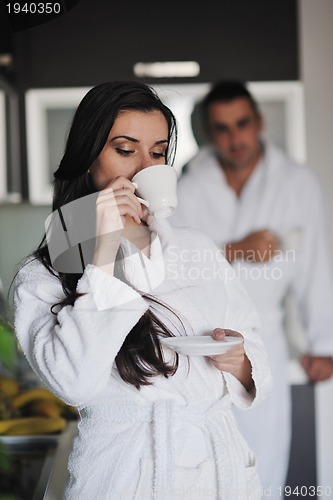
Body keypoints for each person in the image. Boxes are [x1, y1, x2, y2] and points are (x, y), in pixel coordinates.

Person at [13, 81, 272, 500]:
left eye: (156, 153)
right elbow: (73, 383)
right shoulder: (43, 273)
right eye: (125, 149)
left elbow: (252, 343)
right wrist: (104, 249)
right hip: (124, 477)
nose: (142, 169)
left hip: (219, 471)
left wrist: (238, 360)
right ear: (87, 156)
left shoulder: (195, 247)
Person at [170, 80, 333, 498]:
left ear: (258, 122)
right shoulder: (186, 186)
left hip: (265, 338)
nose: (234, 138)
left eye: (242, 124)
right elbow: (170, 264)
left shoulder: (297, 183)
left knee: (263, 463)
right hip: (196, 342)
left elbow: (316, 265)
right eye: (222, 128)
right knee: (201, 468)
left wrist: (323, 342)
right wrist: (237, 249)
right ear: (209, 132)